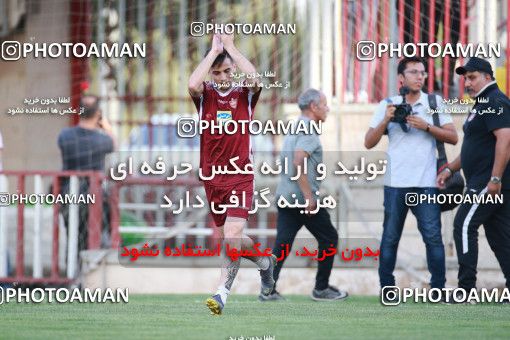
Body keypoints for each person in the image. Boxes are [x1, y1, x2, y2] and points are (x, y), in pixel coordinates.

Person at [188, 33, 276, 315]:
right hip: (213, 178)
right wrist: (213, 53)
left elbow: (255, 79)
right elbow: (192, 83)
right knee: (233, 237)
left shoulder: (244, 95)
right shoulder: (206, 97)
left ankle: (221, 293)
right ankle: (265, 261)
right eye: (217, 72)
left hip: (240, 175)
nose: (223, 77)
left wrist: (232, 48)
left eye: (227, 71)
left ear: (233, 70)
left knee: (233, 233)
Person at [364, 57, 458, 291]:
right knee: (390, 239)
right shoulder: (388, 104)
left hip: (426, 184)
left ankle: (438, 289)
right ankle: (387, 288)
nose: (420, 77)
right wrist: (387, 118)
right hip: (395, 184)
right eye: (414, 72)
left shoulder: (434, 102)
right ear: (401, 78)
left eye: (423, 73)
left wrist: (426, 126)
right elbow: (368, 142)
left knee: (433, 238)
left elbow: (453, 137)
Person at [263, 88, 348, 302]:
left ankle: (267, 290)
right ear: (313, 107)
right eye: (325, 104)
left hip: (286, 197)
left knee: (282, 244)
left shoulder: (295, 126)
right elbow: (298, 162)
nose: (327, 109)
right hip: (302, 200)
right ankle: (321, 289)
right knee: (329, 238)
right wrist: (309, 197)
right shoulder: (309, 129)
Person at [437, 57, 510, 297]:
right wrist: (450, 168)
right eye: (465, 78)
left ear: (488, 77)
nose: (467, 83)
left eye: (472, 77)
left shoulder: (495, 100)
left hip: (488, 183)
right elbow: (474, 147)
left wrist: (495, 179)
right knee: (499, 236)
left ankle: (466, 289)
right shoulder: (482, 104)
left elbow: (505, 140)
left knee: (463, 225)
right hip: (486, 182)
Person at [57, 95, 115, 252]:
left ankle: (72, 272)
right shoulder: (104, 140)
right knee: (93, 240)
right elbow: (114, 144)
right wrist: (107, 127)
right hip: (94, 197)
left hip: (69, 194)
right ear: (98, 114)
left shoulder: (64, 136)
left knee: (73, 238)